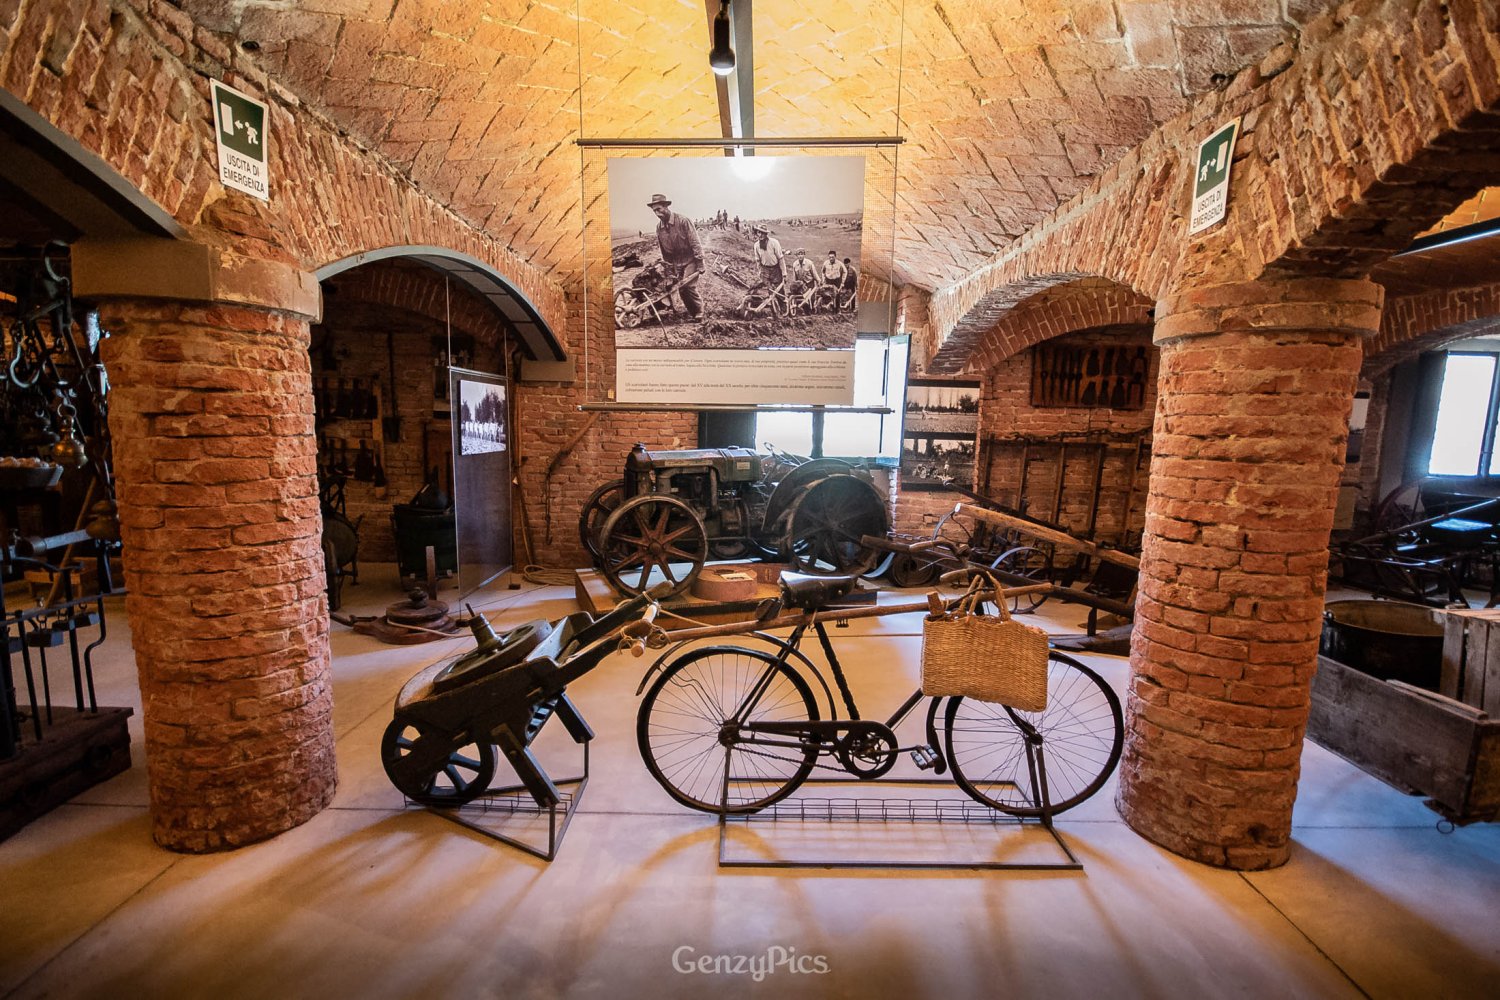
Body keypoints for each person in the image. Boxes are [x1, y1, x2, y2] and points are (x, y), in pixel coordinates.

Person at [646, 193, 704, 321]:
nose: (657, 213)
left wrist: (700, 262)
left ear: (666, 207)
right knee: (679, 289)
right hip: (675, 262)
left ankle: (700, 311)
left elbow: (695, 242)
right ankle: (693, 314)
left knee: (688, 286)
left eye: (659, 209)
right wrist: (668, 269)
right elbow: (664, 251)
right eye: (654, 211)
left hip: (690, 259)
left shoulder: (683, 221)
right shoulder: (659, 228)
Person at [752, 225, 785, 289]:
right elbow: (758, 260)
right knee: (769, 290)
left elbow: (780, 258)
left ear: (766, 234)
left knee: (779, 291)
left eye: (763, 233)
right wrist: (760, 272)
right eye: (759, 232)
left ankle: (781, 299)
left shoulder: (774, 243)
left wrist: (784, 274)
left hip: (775, 270)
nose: (761, 235)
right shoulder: (756, 245)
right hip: (765, 270)